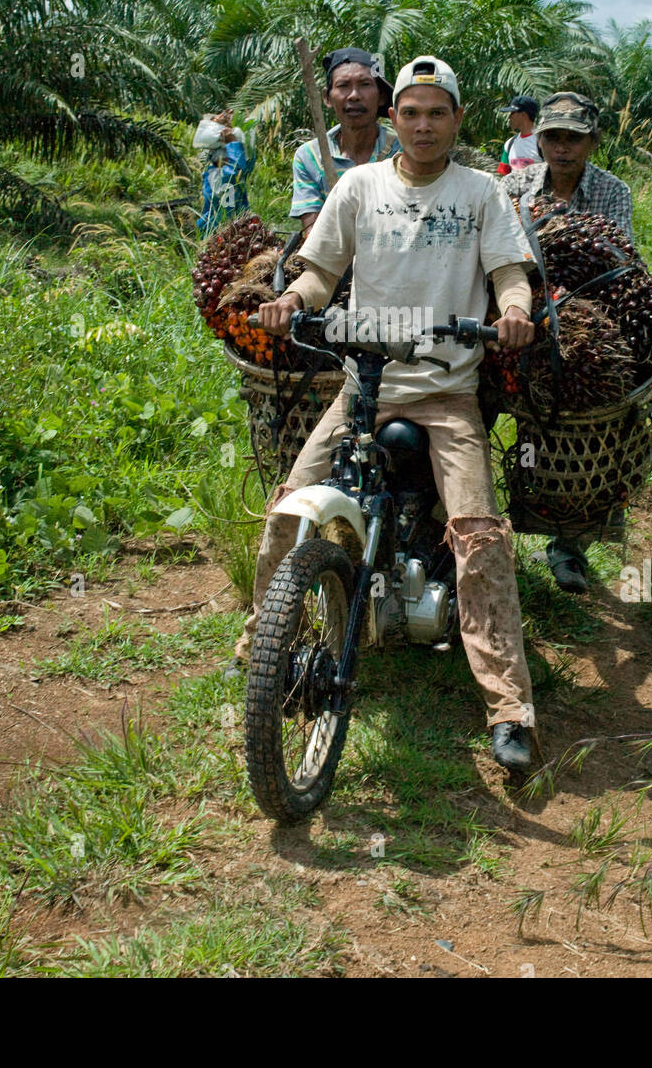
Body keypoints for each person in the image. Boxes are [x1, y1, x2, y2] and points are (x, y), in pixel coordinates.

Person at [232, 56, 541, 774]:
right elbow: (318, 272)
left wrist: (516, 312)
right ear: (390, 117)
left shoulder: (481, 194)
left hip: (445, 391)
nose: (424, 124)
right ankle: (263, 646)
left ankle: (508, 708)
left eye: (437, 112)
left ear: (457, 120)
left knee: (479, 538)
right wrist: (291, 303)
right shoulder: (358, 187)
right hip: (363, 384)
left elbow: (507, 273)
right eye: (411, 112)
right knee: (288, 512)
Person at [500, 92, 634, 592]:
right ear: (539, 140)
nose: (562, 148)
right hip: (516, 313)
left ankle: (568, 543)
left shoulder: (612, 191)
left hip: (585, 317)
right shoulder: (514, 185)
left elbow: (617, 263)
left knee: (577, 431)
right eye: (553, 137)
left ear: (592, 142)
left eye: (573, 139)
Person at [289, 48, 398, 232]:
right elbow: (313, 234)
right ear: (327, 98)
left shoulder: (401, 151)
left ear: (381, 96)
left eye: (365, 84)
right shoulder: (310, 157)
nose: (354, 95)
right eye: (343, 86)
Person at [195, 108, 255, 234]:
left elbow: (245, 167)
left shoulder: (216, 173)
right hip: (220, 237)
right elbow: (235, 170)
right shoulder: (216, 176)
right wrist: (233, 142)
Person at [497, 96, 540, 174]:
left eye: (512, 113)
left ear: (524, 115)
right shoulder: (509, 144)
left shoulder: (543, 143)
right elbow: (503, 175)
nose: (509, 117)